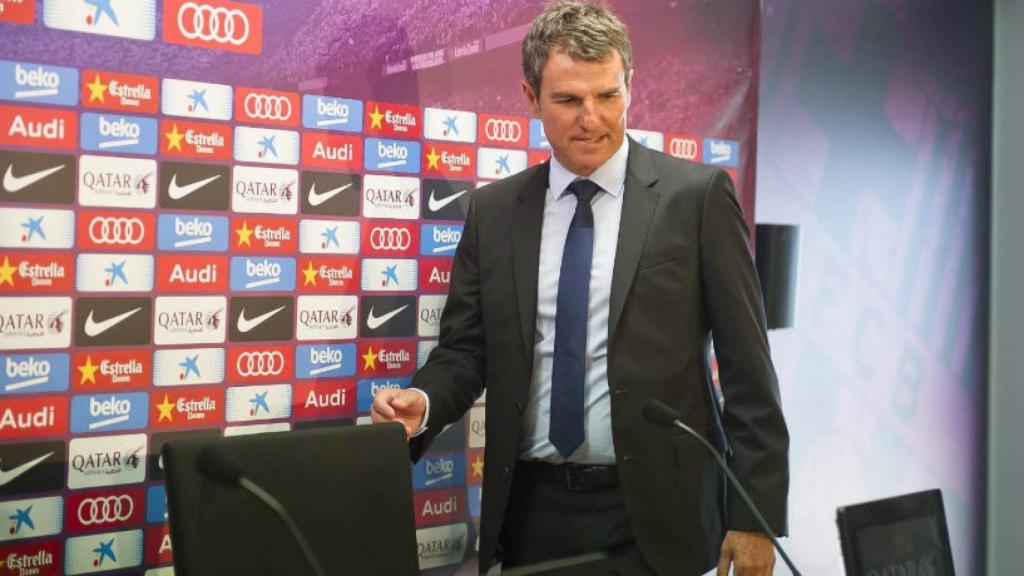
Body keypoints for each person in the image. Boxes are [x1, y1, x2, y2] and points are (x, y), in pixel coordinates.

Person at [371, 2, 789, 574]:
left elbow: (749, 372)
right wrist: (422, 403)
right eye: (568, 99)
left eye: (608, 95)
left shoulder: (698, 198)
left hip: (659, 518)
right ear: (530, 97)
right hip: (530, 512)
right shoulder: (493, 212)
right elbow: (466, 350)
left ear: (630, 86)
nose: (591, 117)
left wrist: (754, 514)